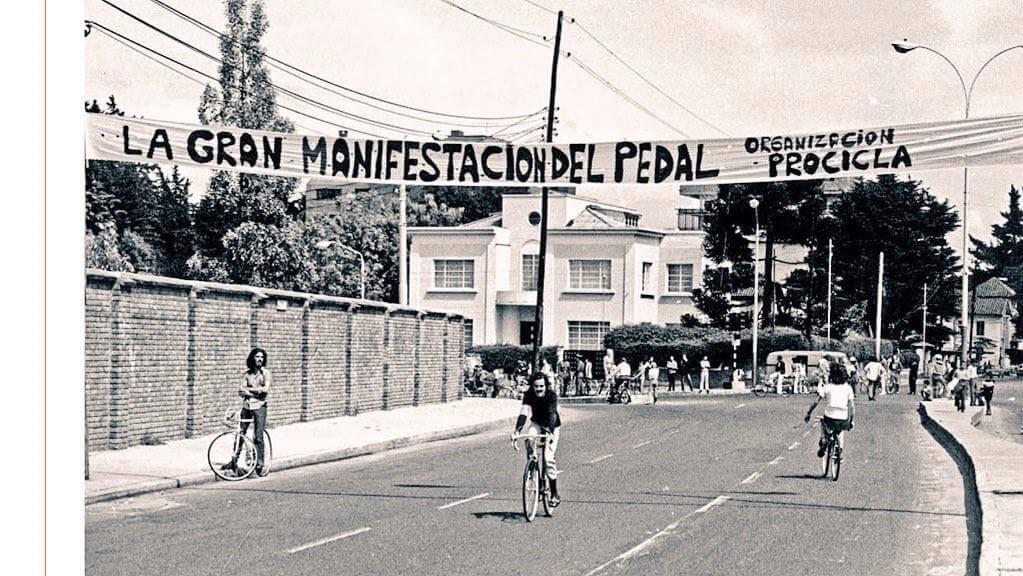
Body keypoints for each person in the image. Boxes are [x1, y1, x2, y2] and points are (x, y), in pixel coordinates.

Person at [511, 372, 562, 506]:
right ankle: (533, 465)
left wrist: (550, 432)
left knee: (548, 458)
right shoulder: (529, 395)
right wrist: (517, 430)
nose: (539, 389)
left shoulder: (551, 396)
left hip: (552, 426)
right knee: (530, 437)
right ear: (532, 387)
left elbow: (552, 414)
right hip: (537, 423)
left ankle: (554, 493)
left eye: (541, 386)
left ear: (546, 386)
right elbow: (524, 412)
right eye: (536, 386)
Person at [230, 347, 271, 476]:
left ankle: (260, 463)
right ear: (252, 358)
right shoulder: (246, 374)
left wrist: (249, 391)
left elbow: (265, 390)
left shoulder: (266, 374)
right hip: (247, 407)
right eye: (257, 357)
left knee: (258, 436)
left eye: (261, 357)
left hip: (260, 406)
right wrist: (255, 391)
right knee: (240, 434)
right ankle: (233, 461)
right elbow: (240, 391)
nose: (259, 359)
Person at [805, 362, 856, 456]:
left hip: (829, 417)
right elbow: (852, 407)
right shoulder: (848, 388)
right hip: (843, 418)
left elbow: (816, 402)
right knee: (840, 431)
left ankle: (824, 440)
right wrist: (851, 421)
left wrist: (808, 413)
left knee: (824, 424)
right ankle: (839, 448)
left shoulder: (827, 387)